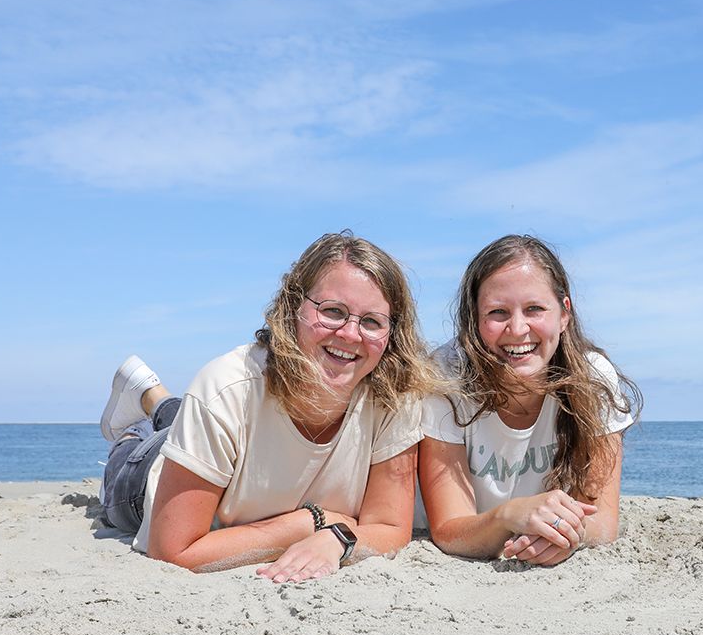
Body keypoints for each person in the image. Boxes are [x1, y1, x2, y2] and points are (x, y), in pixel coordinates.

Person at [98, 231, 440, 582]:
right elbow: (174, 550)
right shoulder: (226, 387)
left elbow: (388, 527)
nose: (351, 335)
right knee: (132, 454)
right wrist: (309, 523)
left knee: (187, 417)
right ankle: (137, 417)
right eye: (334, 312)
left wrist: (336, 540)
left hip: (216, 446)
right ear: (293, 307)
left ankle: (154, 396)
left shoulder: (394, 395)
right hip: (146, 480)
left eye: (371, 322)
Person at [417, 235, 641, 566]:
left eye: (534, 308)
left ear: (564, 314)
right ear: (474, 320)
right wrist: (511, 515)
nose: (518, 328)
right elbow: (450, 531)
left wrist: (566, 536)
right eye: (497, 312)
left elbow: (603, 522)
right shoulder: (447, 375)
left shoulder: (593, 378)